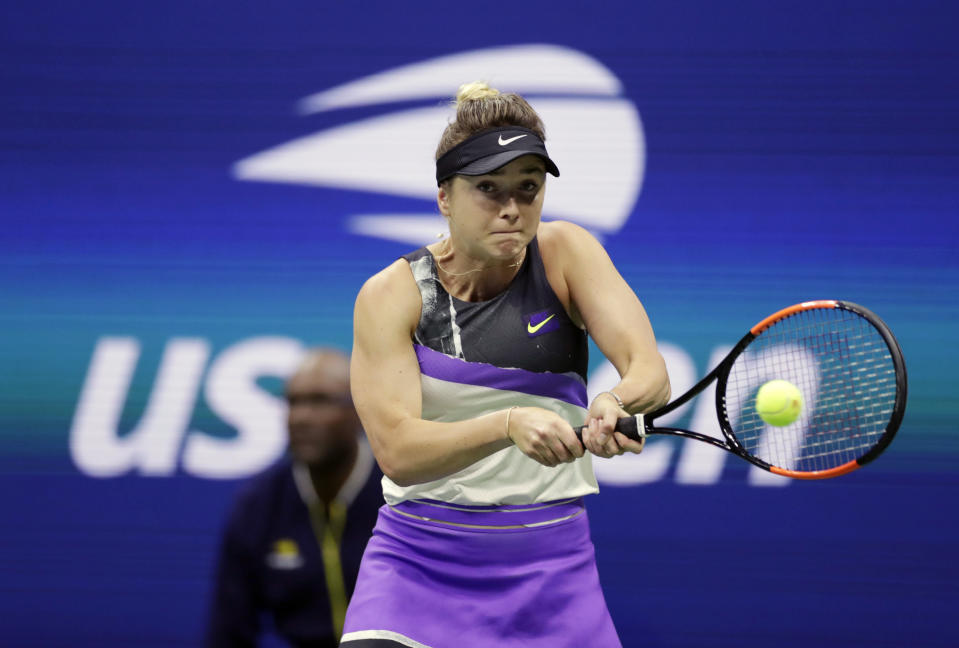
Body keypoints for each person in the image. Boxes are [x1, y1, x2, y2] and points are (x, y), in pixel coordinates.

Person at [341, 82, 670, 648]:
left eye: (528, 188)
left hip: (551, 568)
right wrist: (508, 424)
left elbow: (649, 371)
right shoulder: (392, 294)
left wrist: (614, 401)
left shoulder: (566, 253)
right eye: (488, 189)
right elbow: (397, 451)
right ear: (445, 195)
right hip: (417, 563)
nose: (512, 209)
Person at [205, 349, 383, 648]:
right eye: (293, 402)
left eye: (320, 401)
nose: (301, 417)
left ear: (359, 410)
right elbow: (227, 631)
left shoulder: (405, 493)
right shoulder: (259, 505)